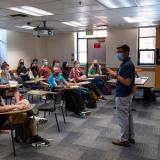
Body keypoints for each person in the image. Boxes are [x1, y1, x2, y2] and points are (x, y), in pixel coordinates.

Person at [107, 44, 135, 146]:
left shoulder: (128, 65)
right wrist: (115, 75)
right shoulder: (125, 63)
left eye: (119, 52)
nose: (117, 54)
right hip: (126, 94)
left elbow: (127, 82)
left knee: (123, 118)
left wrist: (115, 75)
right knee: (128, 117)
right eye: (117, 52)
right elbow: (122, 78)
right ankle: (130, 137)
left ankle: (124, 140)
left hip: (123, 95)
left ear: (126, 53)